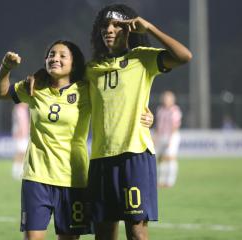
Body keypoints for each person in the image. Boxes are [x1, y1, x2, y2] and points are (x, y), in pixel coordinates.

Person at [0, 40, 154, 240]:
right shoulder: (35, 87)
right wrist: (6, 67)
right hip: (36, 177)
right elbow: (1, 93)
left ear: (74, 63)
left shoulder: (86, 90)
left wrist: (146, 113)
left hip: (73, 178)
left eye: (62, 56)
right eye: (51, 54)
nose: (55, 58)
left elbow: (116, 102)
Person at [85, 4, 192, 240]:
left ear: (129, 29)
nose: (109, 30)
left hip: (135, 156)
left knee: (137, 233)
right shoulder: (91, 69)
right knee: (103, 234)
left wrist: (150, 28)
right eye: (105, 26)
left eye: (117, 25)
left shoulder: (142, 58)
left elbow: (184, 56)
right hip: (101, 158)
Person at [154, 91, 182, 188]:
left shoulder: (175, 110)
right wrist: (155, 137)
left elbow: (175, 126)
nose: (165, 100)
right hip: (161, 136)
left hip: (172, 136)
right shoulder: (160, 110)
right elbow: (158, 125)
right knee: (160, 159)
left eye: (167, 98)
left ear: (172, 100)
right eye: (164, 98)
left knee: (170, 158)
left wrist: (171, 140)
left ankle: (170, 181)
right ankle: (160, 181)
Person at [11, 103, 30, 180]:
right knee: (20, 153)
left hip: (24, 134)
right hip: (20, 134)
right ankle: (16, 171)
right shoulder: (19, 109)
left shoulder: (23, 110)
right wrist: (19, 132)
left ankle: (19, 171)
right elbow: (19, 122)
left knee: (22, 153)